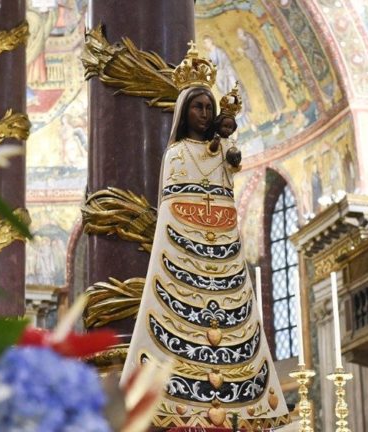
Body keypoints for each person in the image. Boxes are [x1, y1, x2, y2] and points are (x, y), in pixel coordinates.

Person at [120, 43, 289, 430]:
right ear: (184, 112)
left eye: (209, 108)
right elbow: (169, 212)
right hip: (180, 254)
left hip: (224, 254)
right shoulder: (176, 154)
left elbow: (232, 171)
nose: (205, 113)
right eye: (198, 107)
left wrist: (225, 142)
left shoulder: (222, 150)